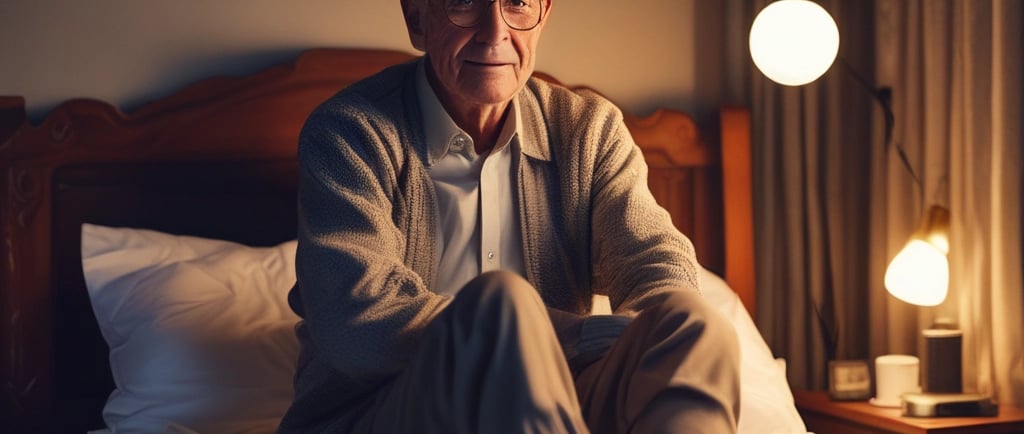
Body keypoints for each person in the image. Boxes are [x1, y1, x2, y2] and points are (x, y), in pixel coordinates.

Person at [277, 0, 740, 433]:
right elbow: (355, 319)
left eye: (518, 1)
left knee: (692, 322)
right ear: (416, 18)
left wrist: (642, 343)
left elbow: (657, 262)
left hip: (563, 399)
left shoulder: (589, 132)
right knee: (501, 304)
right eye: (464, 1)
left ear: (543, 16)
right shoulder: (350, 132)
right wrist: (574, 335)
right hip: (387, 409)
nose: (494, 31)